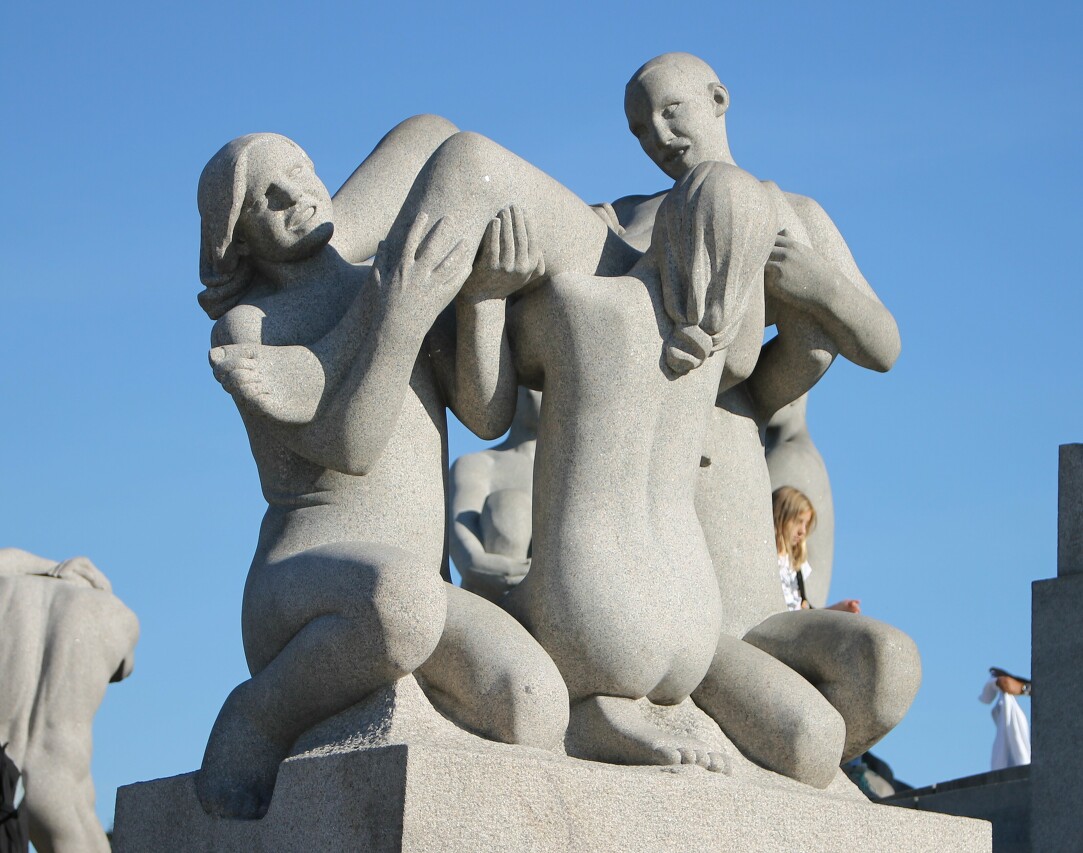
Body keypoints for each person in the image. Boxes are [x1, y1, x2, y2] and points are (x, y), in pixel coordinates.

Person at [195, 130, 570, 820]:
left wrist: (484, 298)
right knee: (400, 604)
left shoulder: (395, 274)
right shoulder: (252, 326)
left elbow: (485, 415)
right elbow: (350, 446)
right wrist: (398, 315)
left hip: (417, 589)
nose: (294, 196)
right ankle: (260, 715)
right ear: (237, 240)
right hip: (308, 589)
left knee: (534, 700)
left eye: (301, 172)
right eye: (264, 200)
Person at [603, 52, 918, 788]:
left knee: (887, 666)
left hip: (744, 523)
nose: (656, 133)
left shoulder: (793, 213)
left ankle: (768, 743)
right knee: (802, 734)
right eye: (638, 125)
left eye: (670, 110)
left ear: (717, 99)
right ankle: (739, 734)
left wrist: (820, 288)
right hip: (658, 526)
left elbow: (882, 343)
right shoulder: (626, 218)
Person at [500, 159, 776, 772]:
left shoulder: (583, 302)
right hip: (694, 620)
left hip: (599, 608)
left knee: (475, 605)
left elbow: (489, 404)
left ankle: (591, 716)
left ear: (670, 220)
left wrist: (488, 294)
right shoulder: (715, 359)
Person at [0, 549, 138, 853]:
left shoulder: (8, 587)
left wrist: (48, 568)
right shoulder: (112, 613)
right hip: (58, 771)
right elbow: (125, 667)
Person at [449, 387, 540, 602]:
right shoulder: (479, 464)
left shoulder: (572, 473)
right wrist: (491, 567)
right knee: (510, 505)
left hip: (549, 595)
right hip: (494, 597)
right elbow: (464, 546)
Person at [772, 486, 859, 613]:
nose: (803, 531)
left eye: (806, 524)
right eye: (798, 521)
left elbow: (802, 615)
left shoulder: (795, 568)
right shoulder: (767, 559)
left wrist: (839, 609)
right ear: (780, 517)